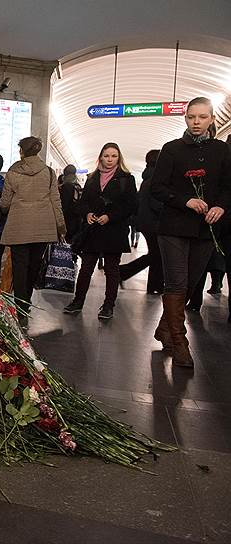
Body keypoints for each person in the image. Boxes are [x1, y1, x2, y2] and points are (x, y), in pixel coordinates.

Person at [150, 96, 231, 367]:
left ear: (211, 120)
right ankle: (179, 341)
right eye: (191, 117)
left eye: (202, 117)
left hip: (205, 228)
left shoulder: (222, 150)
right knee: (176, 283)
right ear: (185, 118)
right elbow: (157, 187)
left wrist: (220, 206)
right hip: (173, 225)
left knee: (191, 282)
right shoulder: (171, 149)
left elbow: (227, 186)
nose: (196, 122)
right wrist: (185, 200)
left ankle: (164, 327)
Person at [63, 143, 138, 319]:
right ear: (101, 157)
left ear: (119, 158)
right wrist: (87, 213)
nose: (110, 160)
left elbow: (131, 205)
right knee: (86, 267)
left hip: (114, 230)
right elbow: (83, 203)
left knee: (112, 270)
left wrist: (110, 217)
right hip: (93, 229)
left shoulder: (127, 179)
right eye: (106, 156)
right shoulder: (92, 178)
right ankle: (78, 301)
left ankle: (108, 306)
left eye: (114, 156)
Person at [0, 137, 66, 326]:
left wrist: (6, 208)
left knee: (20, 266)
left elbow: (5, 202)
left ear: (22, 151)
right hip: (42, 228)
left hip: (19, 226)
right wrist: (61, 227)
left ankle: (20, 304)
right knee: (34, 265)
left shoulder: (13, 171)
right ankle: (26, 300)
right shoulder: (49, 173)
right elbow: (56, 202)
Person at [119, 150, 165, 294]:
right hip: (153, 223)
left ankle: (154, 285)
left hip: (146, 222)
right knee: (157, 255)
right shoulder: (156, 179)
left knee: (156, 255)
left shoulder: (148, 177)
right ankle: (126, 272)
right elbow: (156, 204)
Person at [58, 164, 83, 241]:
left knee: (64, 244)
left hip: (68, 220)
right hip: (77, 219)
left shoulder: (67, 186)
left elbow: (65, 205)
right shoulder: (77, 186)